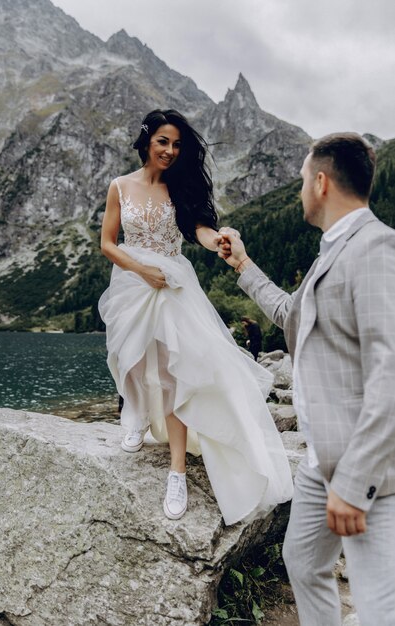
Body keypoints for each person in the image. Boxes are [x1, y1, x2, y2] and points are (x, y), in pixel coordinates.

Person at [219, 133, 395, 624]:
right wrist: (243, 264)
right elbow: (288, 313)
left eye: (301, 180)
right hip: (322, 463)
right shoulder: (330, 253)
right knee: (303, 562)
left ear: (320, 182)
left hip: (371, 472)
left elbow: (391, 372)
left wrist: (354, 482)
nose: (299, 190)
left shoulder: (377, 249)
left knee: (380, 607)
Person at [98, 109, 293, 524]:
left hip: (172, 283)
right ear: (147, 141)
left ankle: (177, 472)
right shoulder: (120, 186)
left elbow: (199, 230)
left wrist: (218, 240)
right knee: (128, 358)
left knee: (174, 375)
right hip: (133, 282)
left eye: (177, 145)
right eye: (163, 142)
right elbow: (108, 244)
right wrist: (140, 269)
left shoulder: (179, 188)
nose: (170, 151)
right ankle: (133, 417)